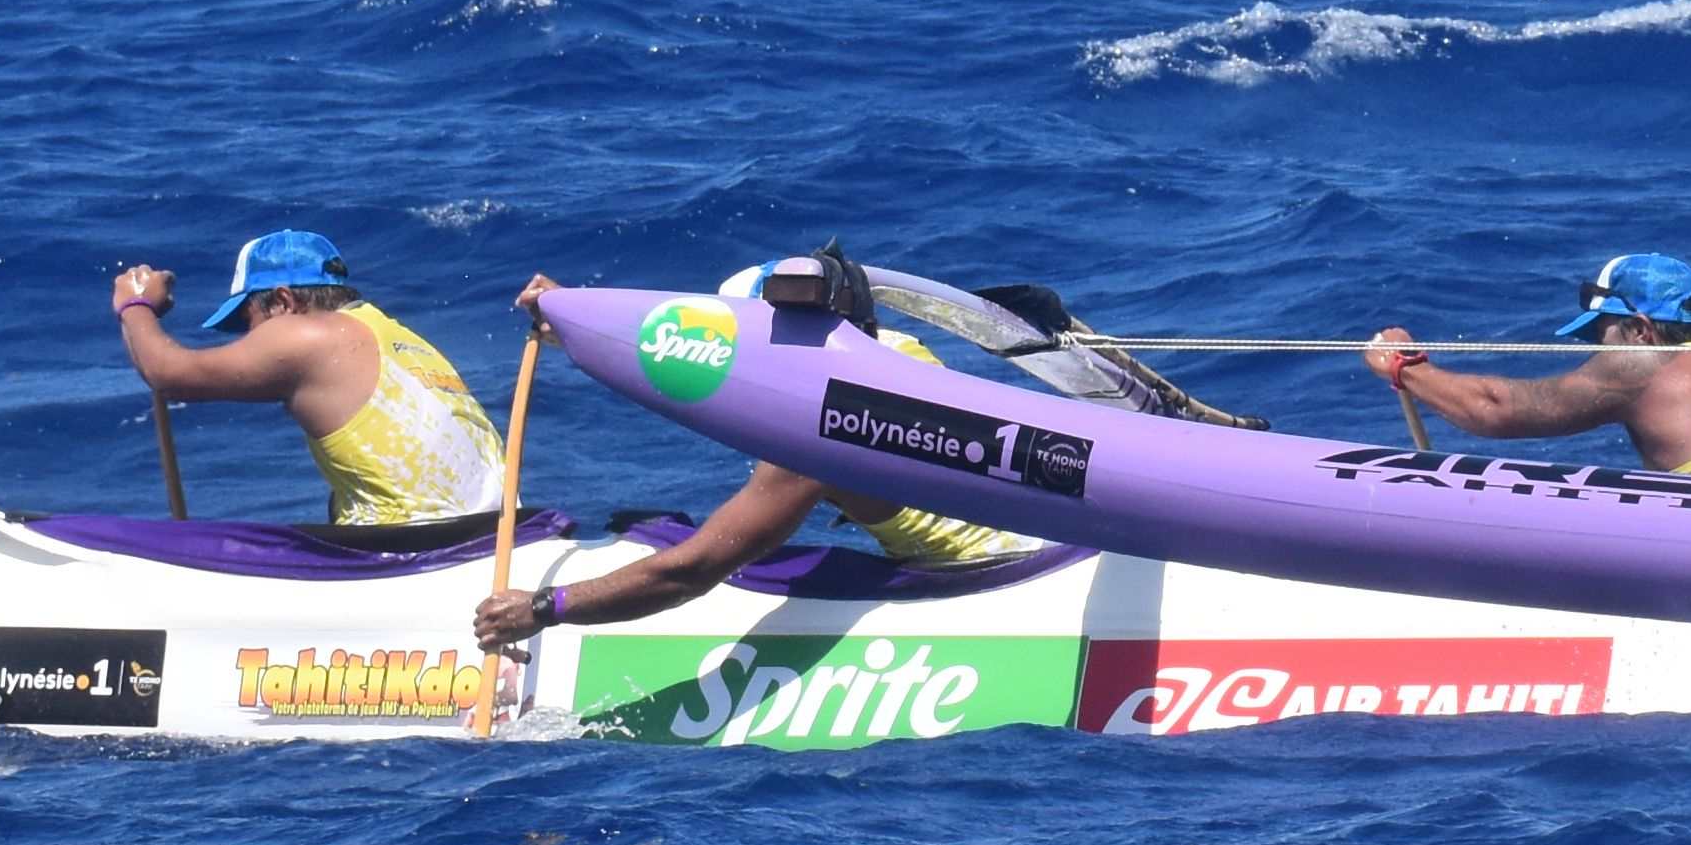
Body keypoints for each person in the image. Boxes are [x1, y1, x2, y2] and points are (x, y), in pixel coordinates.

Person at [471, 260, 1045, 655]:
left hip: (1003, 578)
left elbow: (691, 572)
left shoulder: (820, 421)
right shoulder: (885, 350)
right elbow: (694, 369)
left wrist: (543, 608)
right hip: (1048, 535)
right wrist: (578, 325)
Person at [108, 229, 525, 525]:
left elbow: (168, 374)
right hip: (498, 535)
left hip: (424, 555)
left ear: (284, 301)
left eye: (249, 321)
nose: (251, 341)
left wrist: (137, 305)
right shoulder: (394, 335)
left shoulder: (306, 336)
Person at [1361, 251, 1691, 485]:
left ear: (1638, 330)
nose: (1597, 350)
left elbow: (1498, 409)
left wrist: (1406, 368)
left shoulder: (1649, 366)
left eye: (1601, 333)